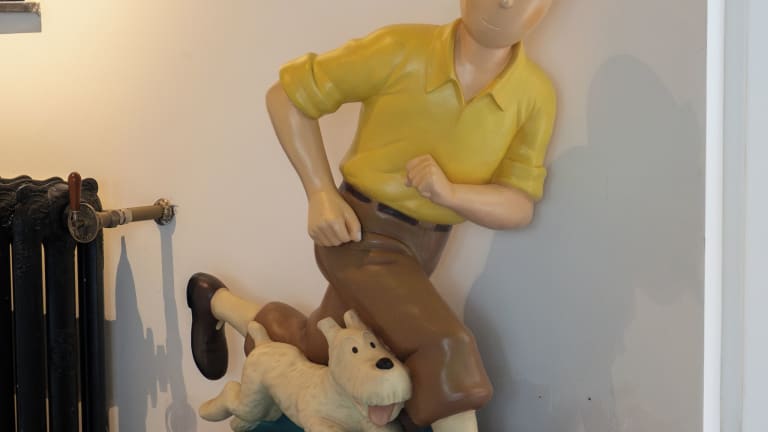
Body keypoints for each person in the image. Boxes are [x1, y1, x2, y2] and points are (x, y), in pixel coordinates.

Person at [188, 1, 556, 430]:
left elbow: (519, 203)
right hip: (358, 231)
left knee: (316, 345)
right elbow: (286, 96)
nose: (506, 1)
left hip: (425, 247)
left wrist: (451, 193)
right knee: (445, 346)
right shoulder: (402, 48)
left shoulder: (534, 95)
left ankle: (213, 300)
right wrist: (320, 192)